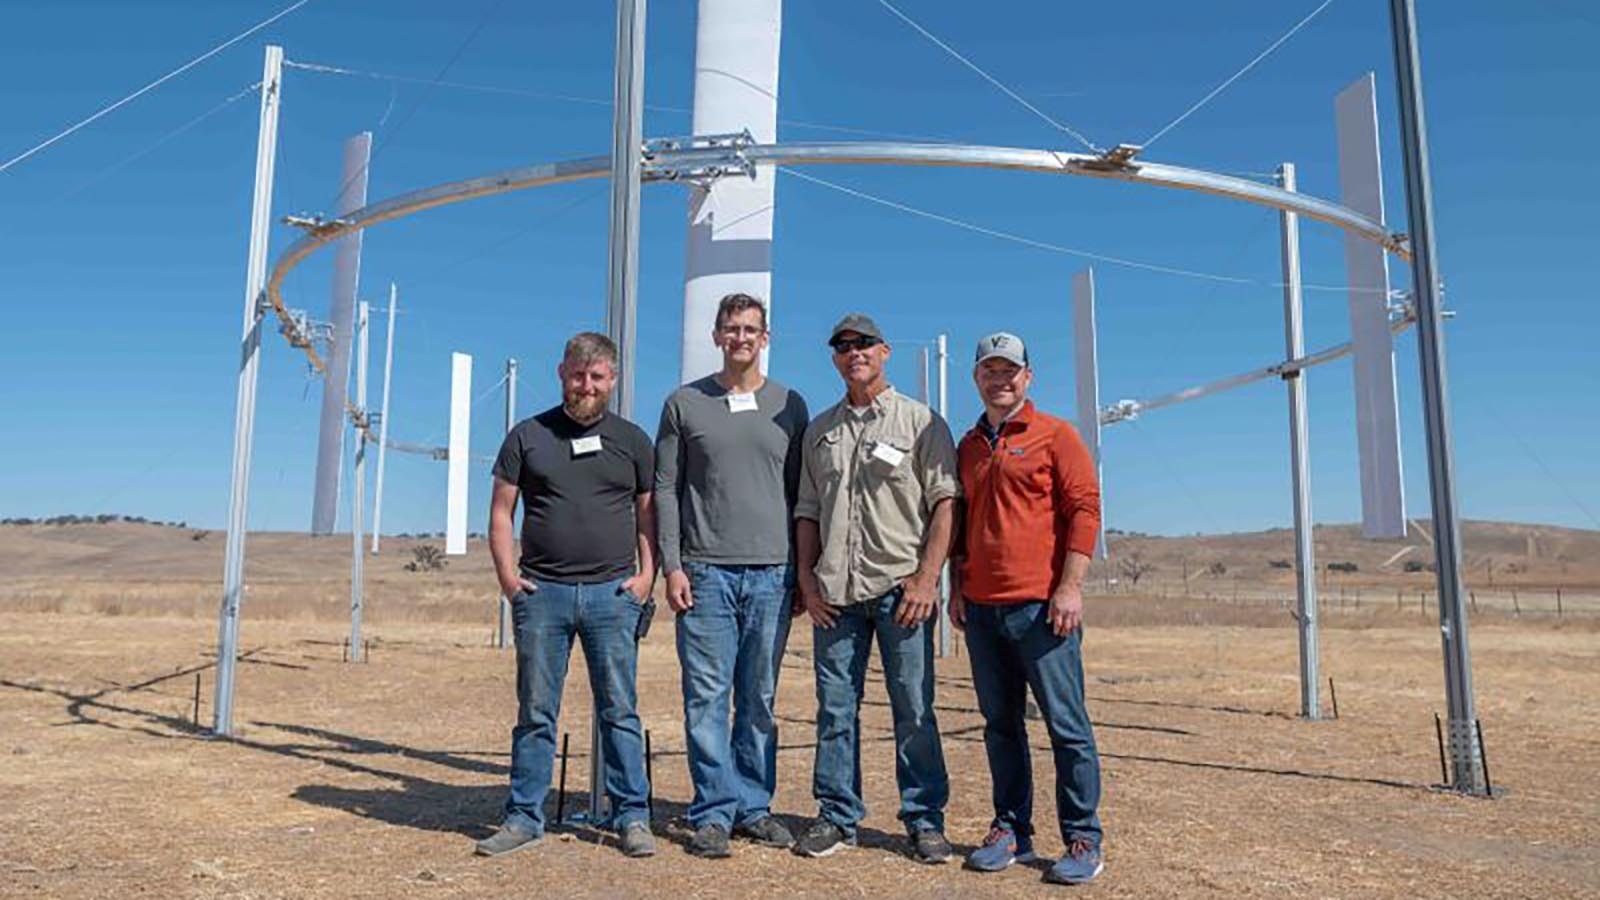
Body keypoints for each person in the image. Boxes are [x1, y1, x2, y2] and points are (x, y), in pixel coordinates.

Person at [477, 332, 659, 859]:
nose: (586, 386)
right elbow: (498, 514)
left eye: (597, 377)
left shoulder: (632, 440)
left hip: (612, 594)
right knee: (536, 712)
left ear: (613, 380)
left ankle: (632, 817)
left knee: (620, 710)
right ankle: (523, 817)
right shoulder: (527, 436)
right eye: (578, 376)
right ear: (561, 373)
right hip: (543, 594)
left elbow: (647, 514)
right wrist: (510, 581)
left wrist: (647, 576)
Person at [790, 313, 959, 864]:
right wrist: (807, 582)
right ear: (835, 358)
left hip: (900, 592)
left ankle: (924, 819)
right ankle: (837, 816)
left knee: (913, 708)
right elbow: (808, 511)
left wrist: (928, 577)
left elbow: (944, 502)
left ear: (884, 351)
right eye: (841, 346)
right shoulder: (821, 431)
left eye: (863, 344)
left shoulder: (921, 422)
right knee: (835, 710)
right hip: (836, 595)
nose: (852, 352)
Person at [654, 293, 810, 858]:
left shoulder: (790, 404)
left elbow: (801, 496)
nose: (741, 337)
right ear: (717, 336)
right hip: (705, 573)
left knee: (759, 698)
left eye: (751, 329)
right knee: (707, 697)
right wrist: (672, 565)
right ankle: (713, 812)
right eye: (731, 328)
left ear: (765, 337)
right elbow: (666, 488)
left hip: (773, 573)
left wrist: (801, 574)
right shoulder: (684, 403)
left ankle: (754, 807)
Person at [952, 331, 1105, 884]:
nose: (1001, 379)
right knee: (1000, 725)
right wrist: (956, 585)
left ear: (1028, 376)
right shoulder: (968, 444)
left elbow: (1085, 510)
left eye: (1010, 370)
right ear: (977, 378)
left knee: (1067, 727)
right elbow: (962, 525)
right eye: (991, 370)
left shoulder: (1056, 435)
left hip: (1042, 608)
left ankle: (1083, 837)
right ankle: (1010, 828)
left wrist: (1071, 587)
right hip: (982, 608)